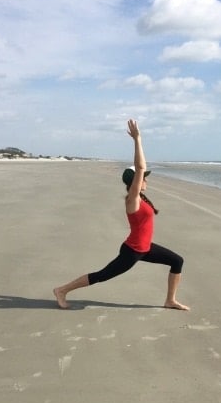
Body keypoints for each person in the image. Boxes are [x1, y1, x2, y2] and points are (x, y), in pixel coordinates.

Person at [53, 119, 189, 310]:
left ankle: (170, 300)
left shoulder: (141, 198)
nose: (146, 180)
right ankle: (62, 290)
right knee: (101, 276)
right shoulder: (133, 199)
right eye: (143, 179)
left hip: (145, 248)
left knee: (177, 261)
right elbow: (140, 168)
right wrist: (137, 140)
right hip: (133, 251)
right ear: (136, 182)